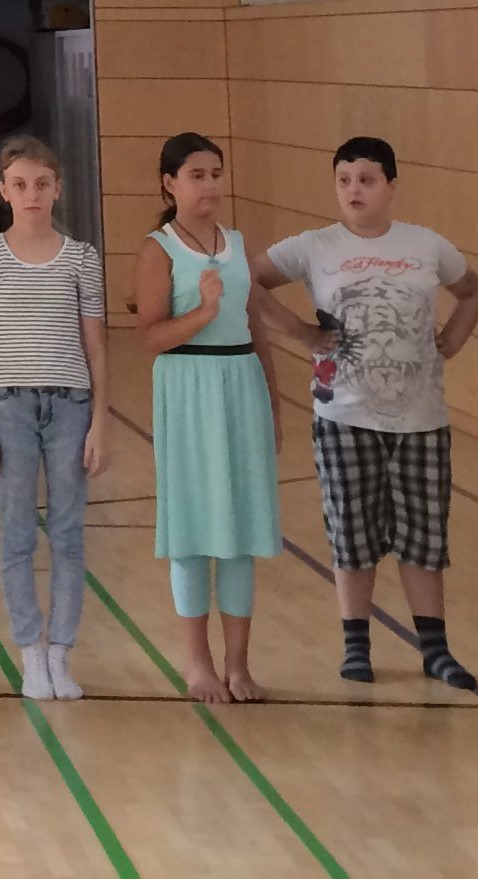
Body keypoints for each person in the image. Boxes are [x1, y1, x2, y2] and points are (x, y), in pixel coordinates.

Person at [248, 136, 478, 690]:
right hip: (344, 415)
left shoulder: (427, 244)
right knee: (352, 534)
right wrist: (300, 331)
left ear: (391, 187)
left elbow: (474, 292)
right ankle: (356, 645)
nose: (354, 189)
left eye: (367, 179)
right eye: (344, 179)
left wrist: (452, 339)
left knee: (424, 536)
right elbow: (246, 281)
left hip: (422, 419)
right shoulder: (314, 245)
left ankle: (435, 650)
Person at [135, 133, 283, 704]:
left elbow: (255, 327)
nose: (210, 184)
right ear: (169, 183)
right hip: (188, 387)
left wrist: (272, 403)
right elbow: (152, 336)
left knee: (241, 532)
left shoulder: (238, 244)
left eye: (216, 173)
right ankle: (197, 664)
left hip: (240, 385)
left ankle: (239, 665)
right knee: (194, 532)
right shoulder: (158, 249)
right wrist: (203, 312)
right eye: (197, 174)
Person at [0, 136, 107, 701]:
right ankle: (29, 651)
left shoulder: (82, 258)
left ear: (57, 189)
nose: (32, 194)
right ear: (3, 190)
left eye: (42, 184)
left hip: (71, 404)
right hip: (10, 405)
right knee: (18, 533)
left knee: (67, 534)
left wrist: (100, 422)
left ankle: (60, 653)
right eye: (20, 184)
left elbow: (95, 344)